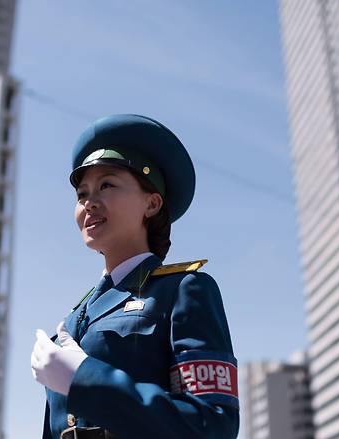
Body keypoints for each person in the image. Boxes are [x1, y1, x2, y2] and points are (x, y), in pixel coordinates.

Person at [31, 114, 239, 439]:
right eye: (81, 194)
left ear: (152, 203)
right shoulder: (73, 321)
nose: (89, 202)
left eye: (107, 185)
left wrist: (84, 378)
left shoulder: (184, 289)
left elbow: (211, 424)